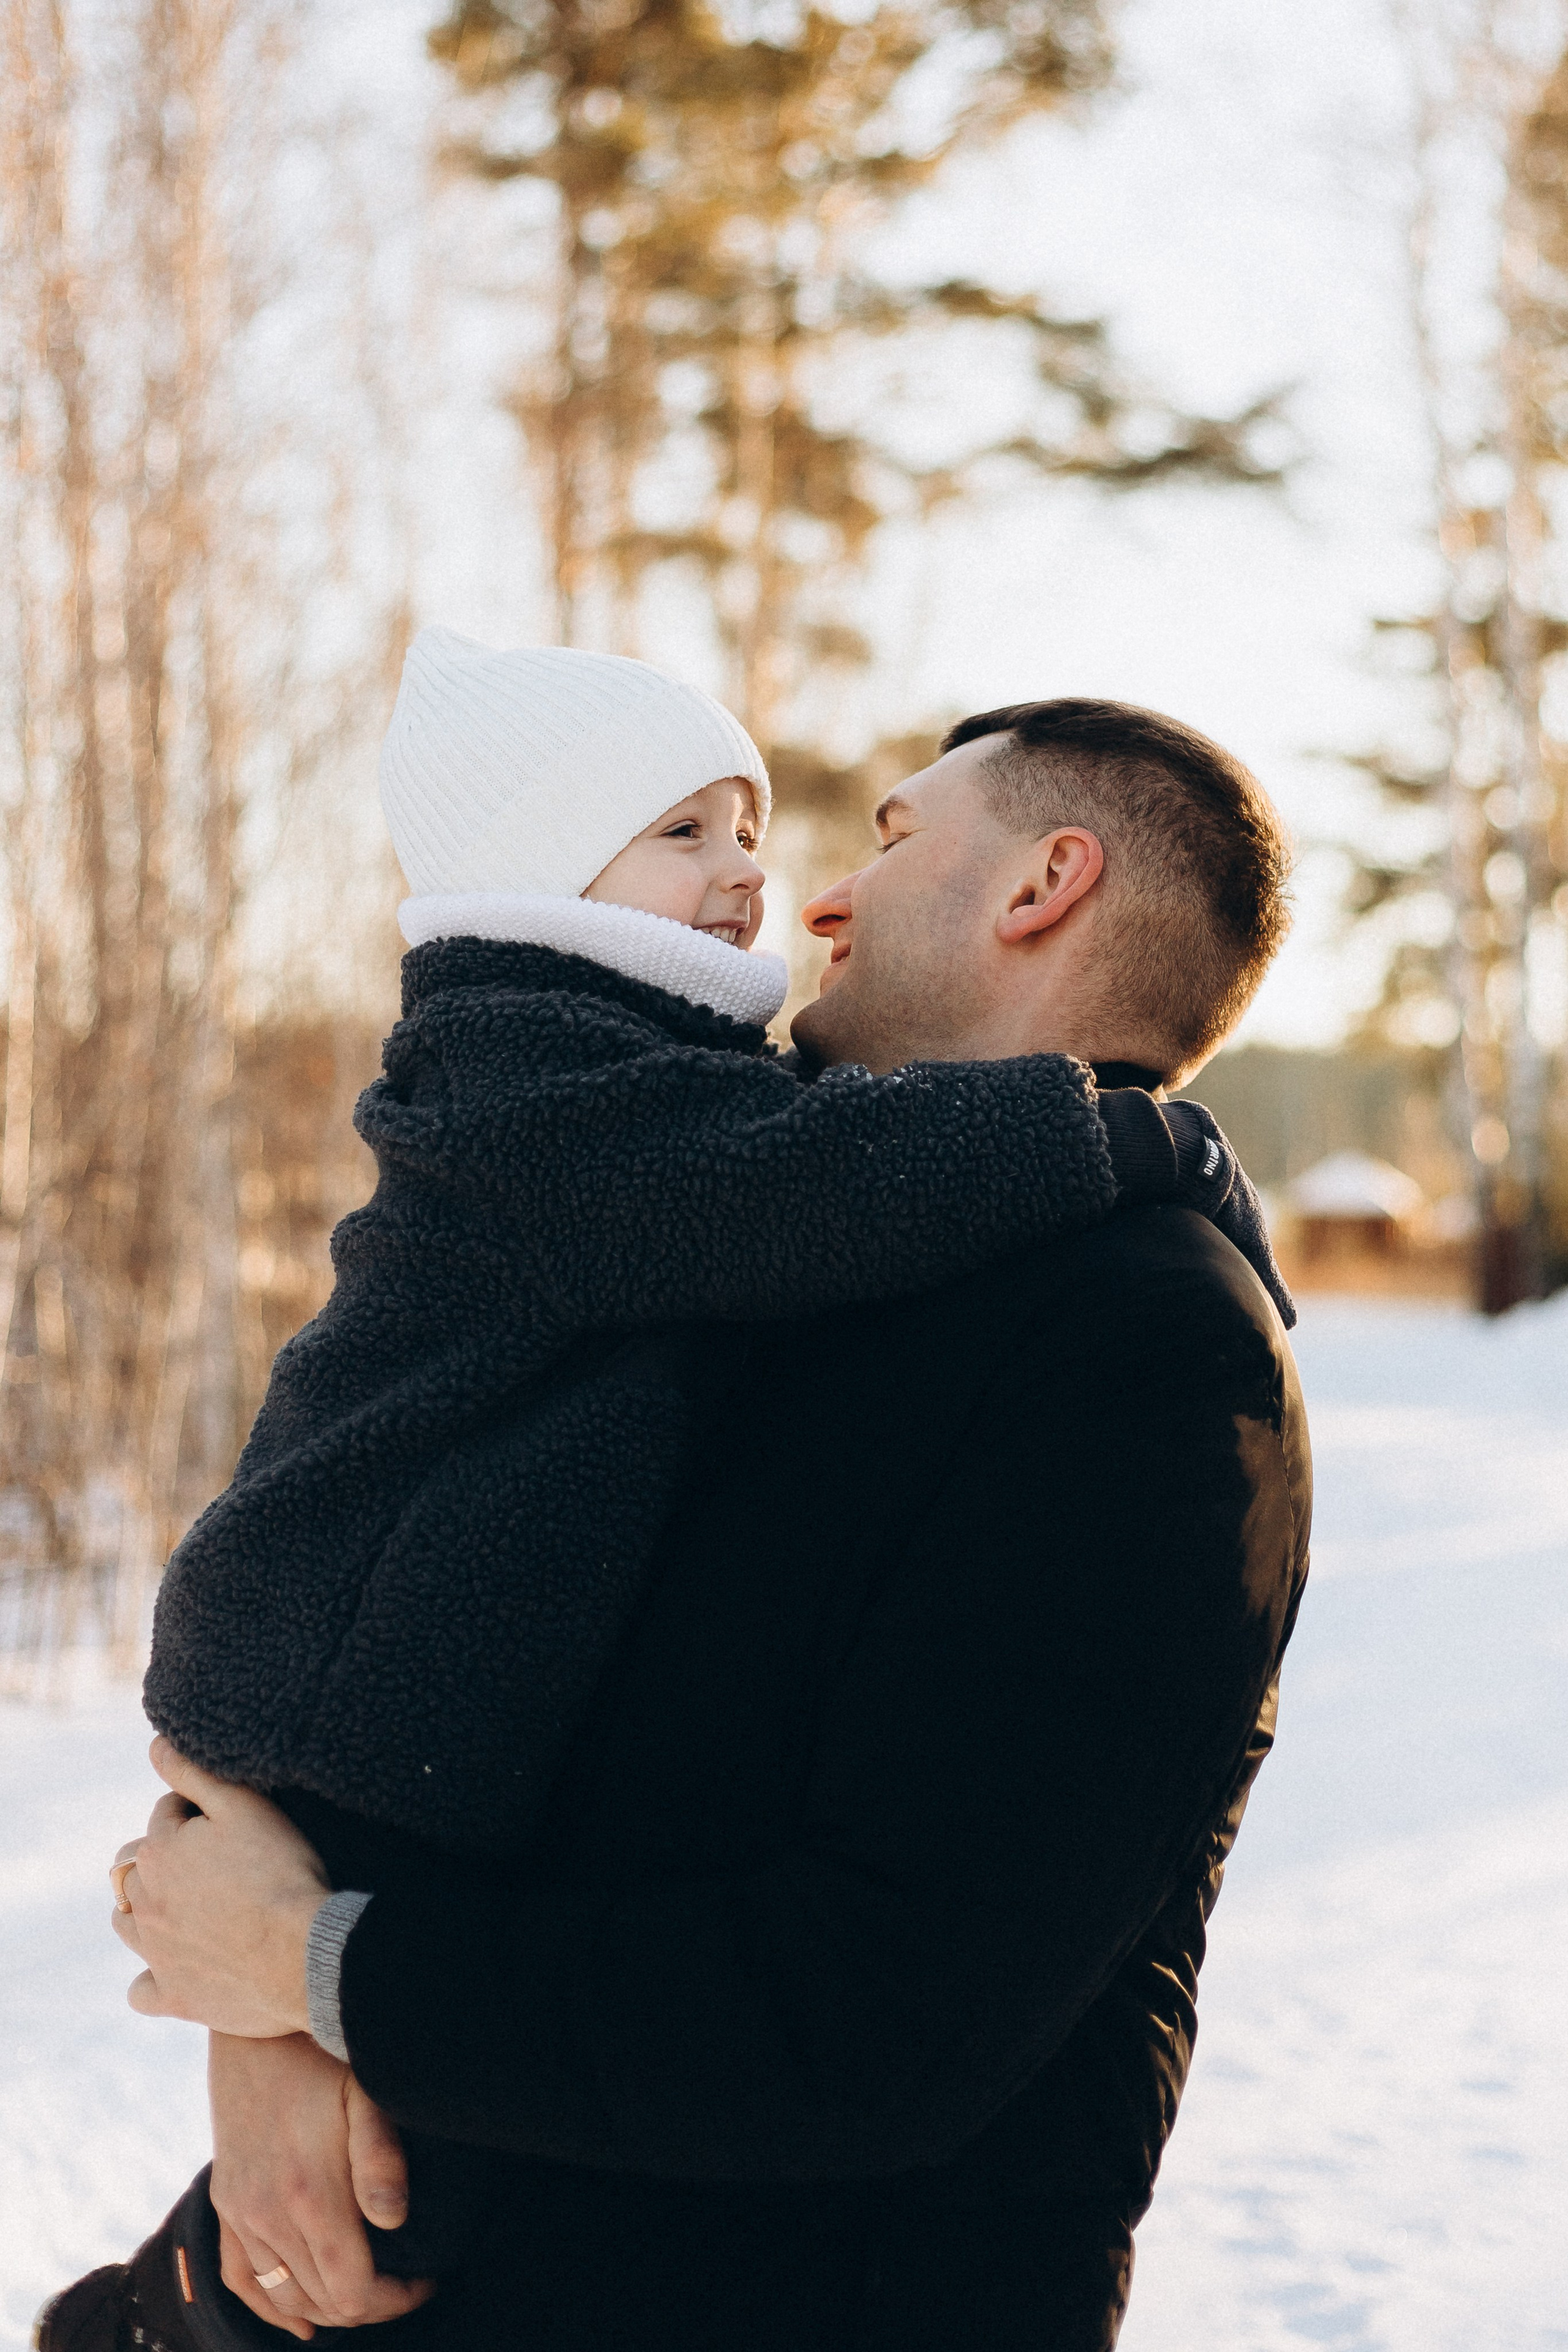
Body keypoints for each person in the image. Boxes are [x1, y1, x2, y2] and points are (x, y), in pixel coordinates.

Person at [48, 689, 1309, 2352]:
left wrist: (315, 1970)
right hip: (387, 2265)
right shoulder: (734, 1236)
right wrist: (264, 2027)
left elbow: (870, 2015)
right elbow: (409, 1616)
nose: (812, 900)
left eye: (891, 835)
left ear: (1042, 887)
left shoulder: (1145, 1344)